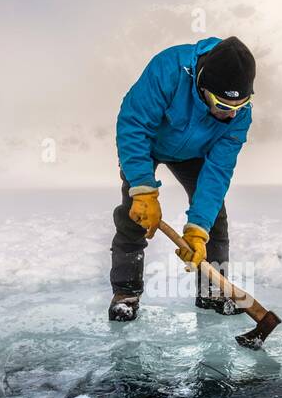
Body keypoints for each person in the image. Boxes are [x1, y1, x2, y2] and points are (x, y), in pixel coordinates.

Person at [108, 36, 255, 322]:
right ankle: (125, 295)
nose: (230, 114)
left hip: (195, 152)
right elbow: (134, 123)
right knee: (133, 216)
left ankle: (213, 291)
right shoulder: (169, 69)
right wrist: (143, 190)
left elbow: (218, 171)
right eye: (221, 105)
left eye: (239, 105)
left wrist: (198, 228)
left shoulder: (239, 114)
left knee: (215, 222)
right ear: (202, 85)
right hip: (147, 143)